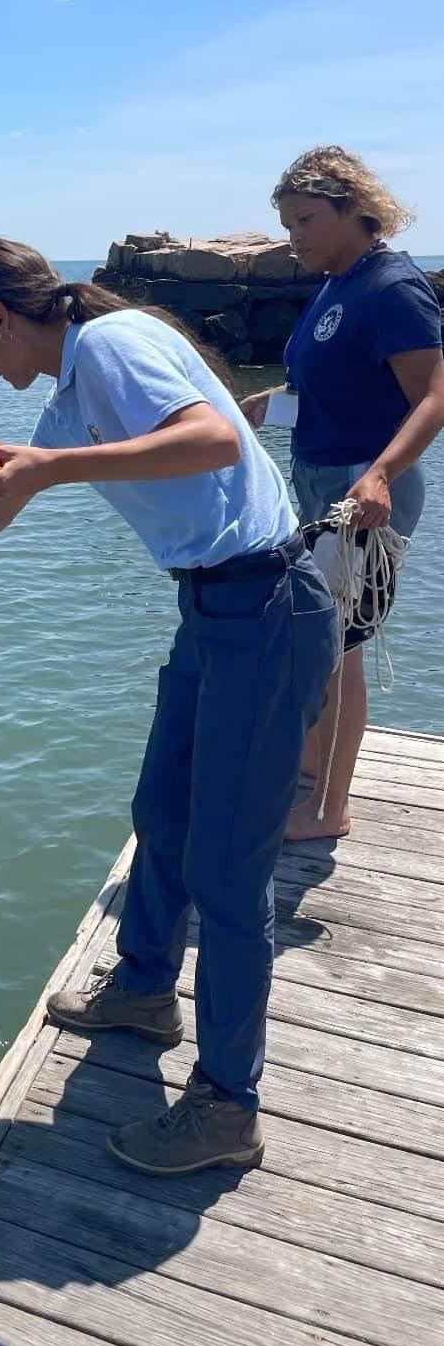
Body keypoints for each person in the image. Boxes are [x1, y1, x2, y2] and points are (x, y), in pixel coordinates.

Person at [0, 238, 338, 1177]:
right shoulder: (73, 394)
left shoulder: (109, 343)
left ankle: (228, 1105)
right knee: (162, 813)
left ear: (3, 315)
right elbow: (5, 502)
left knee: (230, 874)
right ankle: (146, 988)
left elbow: (216, 436)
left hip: (265, 609)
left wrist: (45, 464)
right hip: (214, 608)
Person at [241, 148, 444, 841]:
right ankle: (310, 768)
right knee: (314, 636)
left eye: (305, 220)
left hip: (367, 492)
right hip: (319, 482)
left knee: (338, 647)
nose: (293, 236)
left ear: (355, 211)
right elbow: (330, 385)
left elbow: (434, 398)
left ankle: (330, 808)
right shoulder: (336, 283)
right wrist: (261, 406)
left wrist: (381, 473)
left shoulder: (392, 287)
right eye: (286, 223)